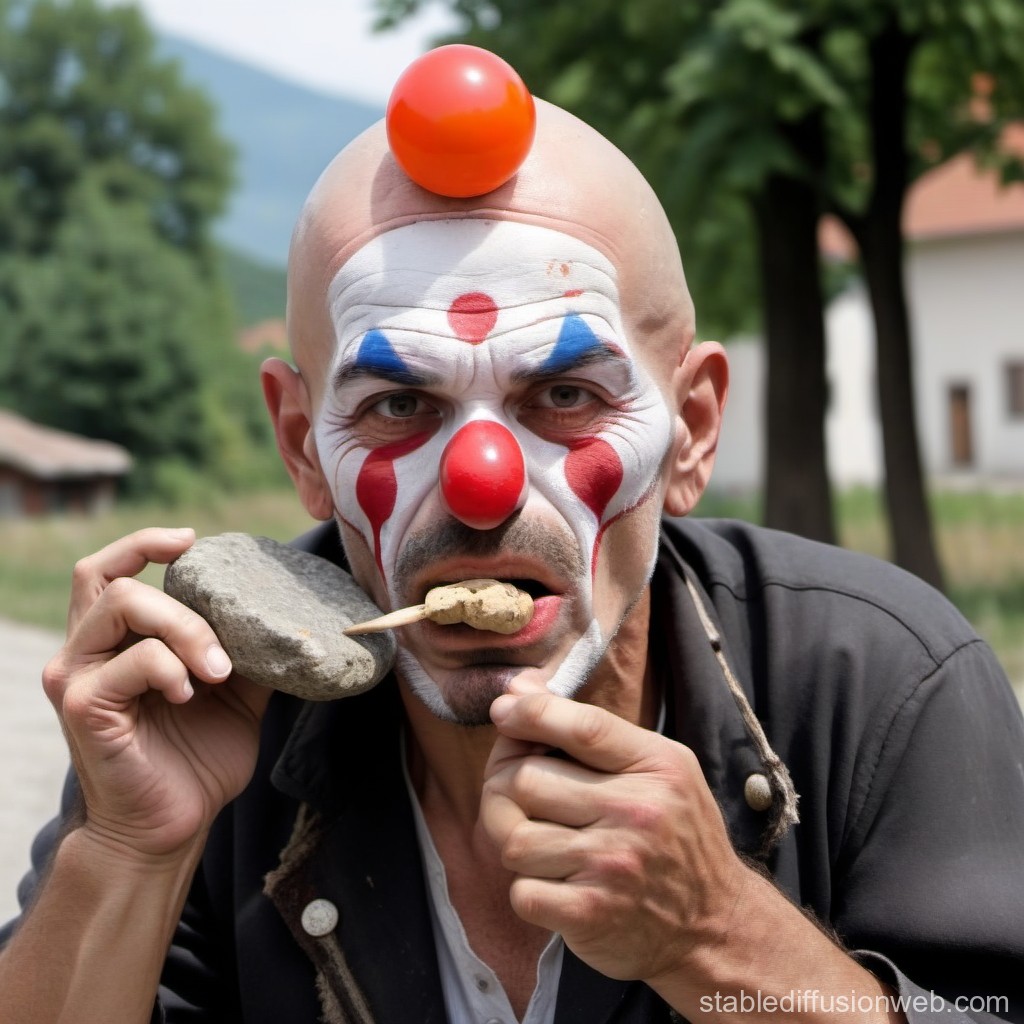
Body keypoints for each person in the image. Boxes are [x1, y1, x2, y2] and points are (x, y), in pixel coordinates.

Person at [1, 88, 1023, 1024]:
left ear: (693, 429)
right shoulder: (221, 712)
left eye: (566, 396)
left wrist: (716, 938)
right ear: (302, 446)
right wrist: (129, 852)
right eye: (401, 405)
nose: (481, 483)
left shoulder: (878, 684)